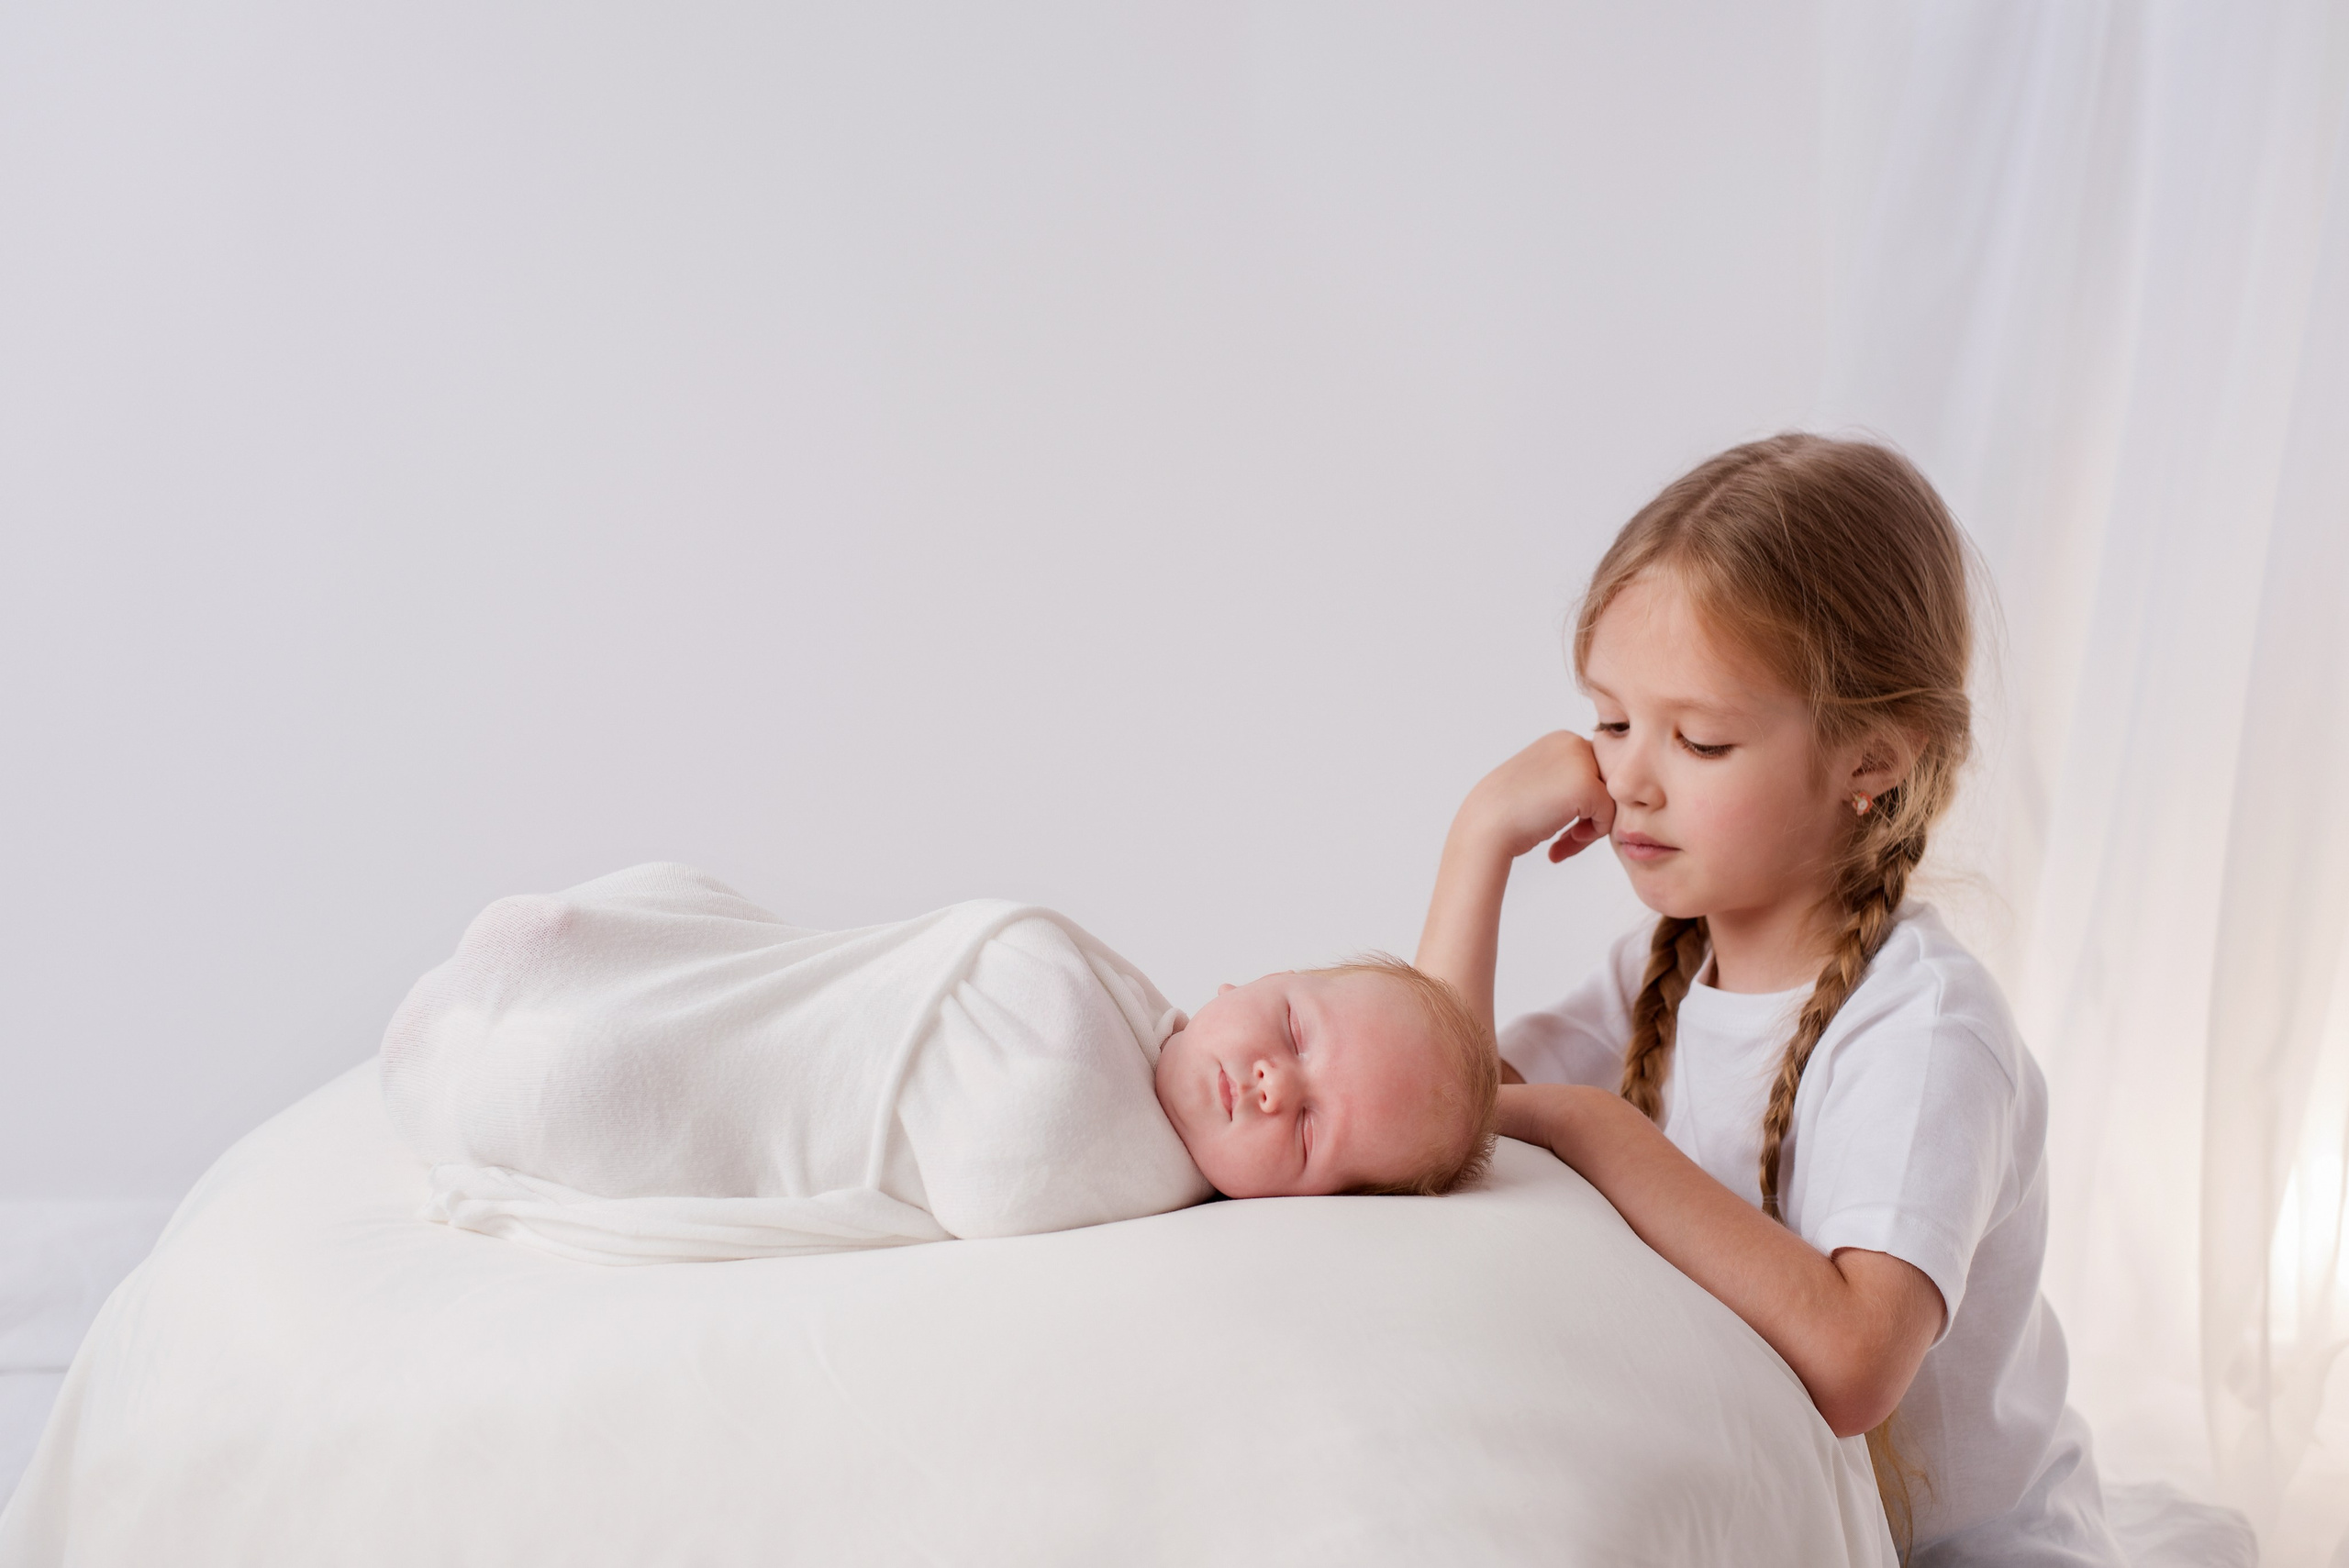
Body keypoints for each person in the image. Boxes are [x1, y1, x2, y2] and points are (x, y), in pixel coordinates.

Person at [1414, 434, 2123, 1563]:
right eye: (1609, 720)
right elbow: (1431, 1112)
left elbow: (1852, 1362)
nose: (1628, 776)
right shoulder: (1661, 974)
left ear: (1870, 759)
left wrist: (1591, 1124)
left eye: (1698, 737)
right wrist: (1478, 843)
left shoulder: (1928, 1030)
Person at [382, 862, 1496, 1266]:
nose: (1270, 1083)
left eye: (1304, 1132)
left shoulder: (1138, 1177)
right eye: (1295, 1033)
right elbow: (900, 961)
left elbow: (1001, 1166)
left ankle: (512, 1059)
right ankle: (573, 962)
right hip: (806, 995)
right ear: (1239, 986)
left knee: (596, 1077)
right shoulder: (1115, 988)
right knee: (678, 908)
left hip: (791, 1107)